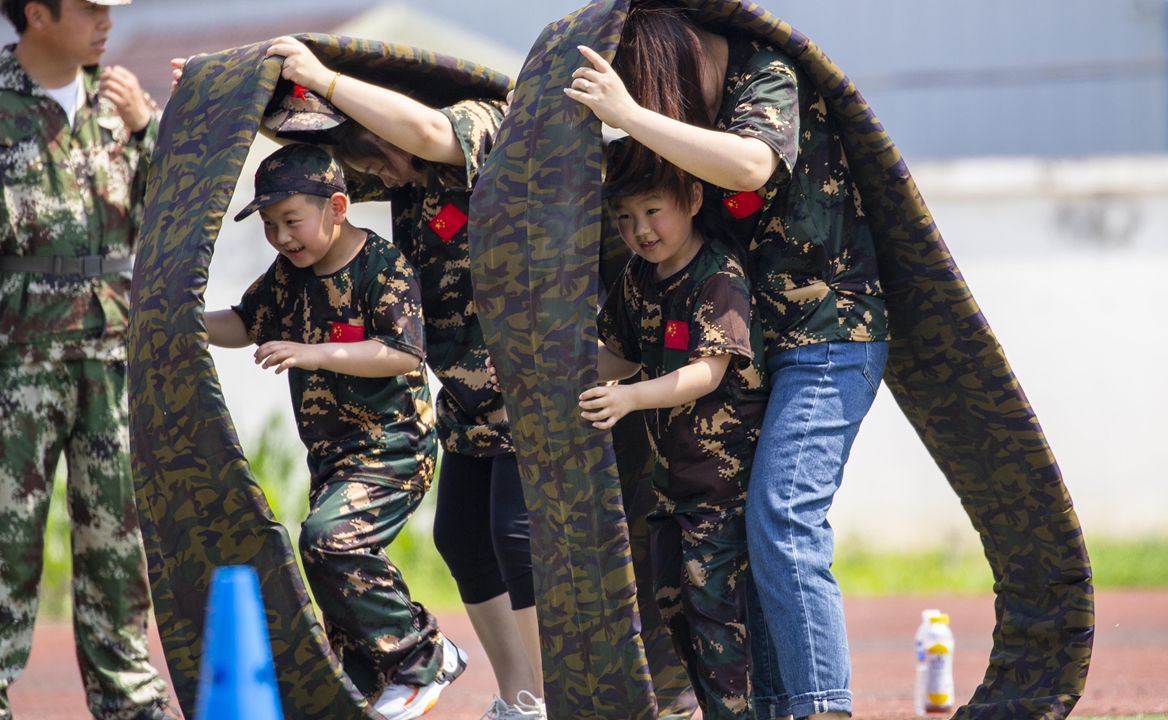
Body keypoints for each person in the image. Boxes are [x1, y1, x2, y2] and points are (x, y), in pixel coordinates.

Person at [565, 4, 892, 719]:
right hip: (763, 351)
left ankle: (818, 708)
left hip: (829, 335)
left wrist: (631, 114)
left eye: (654, 94)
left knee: (783, 512)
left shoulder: (764, 72)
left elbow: (751, 163)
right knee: (745, 532)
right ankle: (778, 708)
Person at [251, 37, 547, 720]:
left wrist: (323, 74)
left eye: (385, 155)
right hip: (472, 396)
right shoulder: (396, 167)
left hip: (534, 384)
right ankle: (522, 698)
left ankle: (563, 699)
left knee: (517, 537)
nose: (389, 171)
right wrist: (240, 93)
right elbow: (317, 158)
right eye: (368, 163)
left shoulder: (477, 119)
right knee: (463, 542)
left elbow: (423, 134)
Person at [203, 143, 465, 720]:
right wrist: (184, 324)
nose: (282, 238)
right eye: (270, 226)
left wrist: (312, 352)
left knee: (329, 540)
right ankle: (368, 683)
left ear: (338, 207)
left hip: (394, 447)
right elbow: (245, 323)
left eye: (291, 222)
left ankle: (423, 653)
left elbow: (402, 354)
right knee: (329, 574)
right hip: (332, 456)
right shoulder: (286, 274)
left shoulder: (381, 265)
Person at [0, 1, 174, 718]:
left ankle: (127, 695)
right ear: (37, 13)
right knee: (3, 534)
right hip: (18, 353)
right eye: (89, 8)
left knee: (117, 532)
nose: (105, 21)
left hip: (110, 350)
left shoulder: (119, 104)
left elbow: (162, 220)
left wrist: (149, 133)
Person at [576, 141, 766, 720]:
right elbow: (616, 356)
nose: (641, 230)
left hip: (721, 484)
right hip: (671, 485)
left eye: (653, 210)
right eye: (625, 218)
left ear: (692, 197)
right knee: (673, 604)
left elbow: (706, 374)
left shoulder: (719, 276)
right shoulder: (638, 278)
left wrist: (630, 398)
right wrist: (550, 375)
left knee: (715, 613)